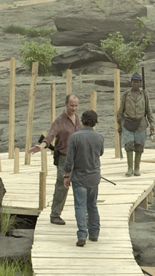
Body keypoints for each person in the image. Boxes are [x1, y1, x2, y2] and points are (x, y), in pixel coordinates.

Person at [28, 94, 81, 225]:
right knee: (62, 186)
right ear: (65, 105)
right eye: (71, 106)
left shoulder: (78, 119)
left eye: (76, 106)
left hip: (78, 158)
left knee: (80, 186)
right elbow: (50, 135)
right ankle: (55, 214)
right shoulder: (59, 120)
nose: (74, 108)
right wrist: (41, 146)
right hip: (64, 157)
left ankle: (82, 214)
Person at [64, 110, 105, 247]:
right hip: (94, 177)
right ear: (95, 122)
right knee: (92, 205)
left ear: (82, 121)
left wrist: (66, 175)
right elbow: (101, 153)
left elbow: (69, 160)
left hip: (79, 177)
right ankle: (94, 233)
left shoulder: (75, 137)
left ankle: (82, 234)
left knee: (80, 206)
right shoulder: (100, 137)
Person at [116, 73, 154, 176]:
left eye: (138, 82)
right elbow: (120, 110)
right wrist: (119, 124)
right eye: (134, 82)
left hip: (141, 123)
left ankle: (137, 168)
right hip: (128, 122)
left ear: (140, 83)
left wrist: (151, 123)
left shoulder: (144, 95)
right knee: (128, 144)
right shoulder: (126, 94)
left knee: (139, 145)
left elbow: (148, 110)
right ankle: (130, 168)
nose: (136, 84)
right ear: (131, 83)